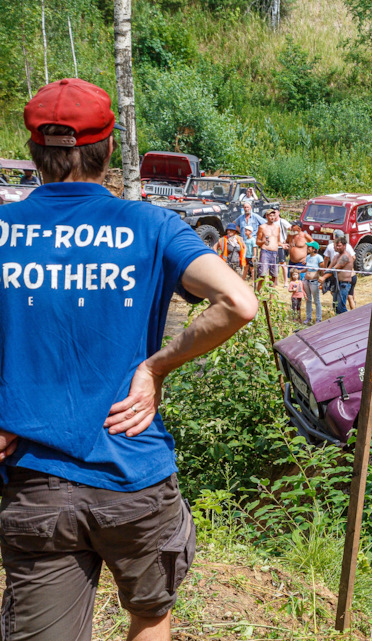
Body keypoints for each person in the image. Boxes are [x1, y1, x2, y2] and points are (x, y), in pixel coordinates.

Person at [0, 78, 258, 641]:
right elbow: (239, 302)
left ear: (36, 152)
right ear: (108, 148)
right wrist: (154, 368)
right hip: (133, 473)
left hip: (36, 482)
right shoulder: (151, 224)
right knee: (149, 616)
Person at [320, 238, 354, 314]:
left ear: (344, 246)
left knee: (341, 307)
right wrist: (323, 278)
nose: (337, 247)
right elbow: (329, 268)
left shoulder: (345, 257)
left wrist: (324, 277)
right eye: (335, 245)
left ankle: (349, 321)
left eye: (339, 246)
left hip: (344, 284)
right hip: (337, 283)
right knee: (335, 306)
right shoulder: (336, 256)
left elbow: (334, 269)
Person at [256, 209, 285, 291]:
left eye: (273, 216)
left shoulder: (277, 227)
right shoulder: (262, 227)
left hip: (275, 253)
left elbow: (278, 241)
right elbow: (257, 242)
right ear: (267, 216)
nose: (272, 217)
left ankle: (271, 298)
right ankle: (258, 295)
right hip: (265, 252)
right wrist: (263, 241)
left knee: (274, 276)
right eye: (270, 216)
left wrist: (282, 245)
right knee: (262, 275)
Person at [302, 241, 322, 324]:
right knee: (308, 299)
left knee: (316, 300)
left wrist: (321, 280)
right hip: (306, 280)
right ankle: (308, 317)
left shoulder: (319, 258)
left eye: (309, 247)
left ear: (314, 249)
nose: (308, 248)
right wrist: (299, 271)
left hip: (314, 281)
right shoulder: (308, 257)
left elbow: (322, 270)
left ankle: (318, 318)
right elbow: (306, 268)